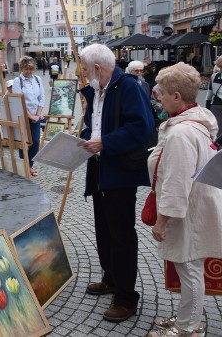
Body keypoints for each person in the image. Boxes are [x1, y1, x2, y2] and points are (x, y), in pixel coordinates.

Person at [77, 44, 154, 323]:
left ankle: (125, 297)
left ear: (98, 68)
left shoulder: (128, 86)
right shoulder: (97, 90)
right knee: (103, 229)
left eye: (85, 70)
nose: (84, 75)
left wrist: (105, 142)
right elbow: (96, 126)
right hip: (99, 169)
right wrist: (84, 139)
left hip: (120, 173)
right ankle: (110, 278)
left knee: (121, 235)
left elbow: (141, 127)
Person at [147, 62, 222, 337]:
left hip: (187, 213)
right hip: (195, 208)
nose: (158, 95)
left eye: (163, 92)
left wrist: (162, 222)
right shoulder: (194, 123)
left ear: (177, 96)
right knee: (190, 267)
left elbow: (177, 183)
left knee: (190, 269)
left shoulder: (181, 133)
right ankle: (185, 319)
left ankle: (188, 328)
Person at [12, 56, 45, 177]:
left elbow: (42, 98)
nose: (29, 72)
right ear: (22, 68)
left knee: (36, 142)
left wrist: (37, 115)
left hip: (36, 116)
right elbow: (18, 101)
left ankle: (30, 165)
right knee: (24, 143)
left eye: (31, 69)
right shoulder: (17, 81)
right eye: (26, 69)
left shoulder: (37, 79)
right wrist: (30, 116)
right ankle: (24, 167)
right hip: (23, 116)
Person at [205, 56, 222, 137]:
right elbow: (210, 92)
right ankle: (216, 148)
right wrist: (207, 106)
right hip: (216, 105)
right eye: (220, 66)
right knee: (216, 129)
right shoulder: (214, 76)